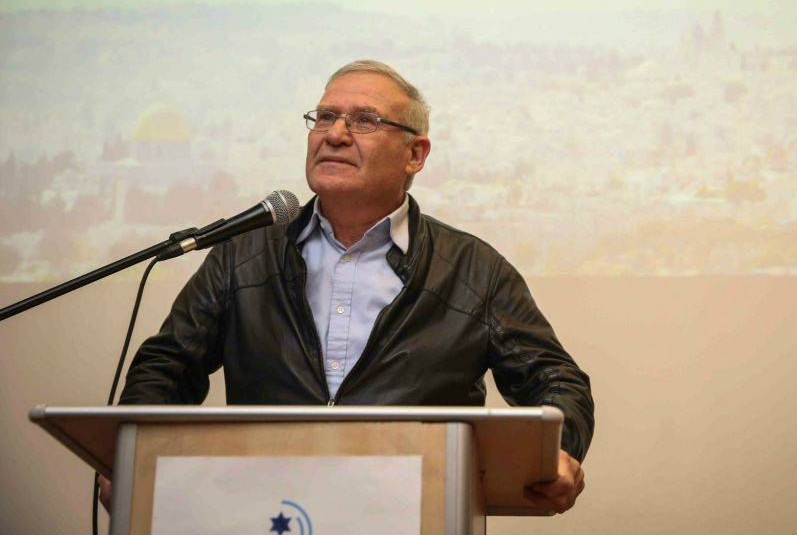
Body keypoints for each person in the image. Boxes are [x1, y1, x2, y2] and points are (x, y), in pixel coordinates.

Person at [102, 60, 594, 514]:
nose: (335, 134)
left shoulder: (473, 269)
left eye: (364, 121)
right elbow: (169, 365)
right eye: (324, 117)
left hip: (413, 509)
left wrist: (561, 451)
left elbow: (554, 380)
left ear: (415, 154)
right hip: (267, 508)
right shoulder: (242, 254)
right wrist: (134, 450)